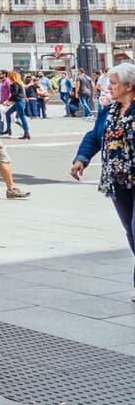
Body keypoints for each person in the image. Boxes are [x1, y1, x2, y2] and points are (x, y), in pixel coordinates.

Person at [71, 62, 135, 300]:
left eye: (114, 83)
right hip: (117, 180)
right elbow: (94, 137)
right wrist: (81, 159)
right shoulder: (109, 111)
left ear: (129, 86)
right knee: (130, 230)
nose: (109, 87)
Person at [5, 71, 29, 139]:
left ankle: (26, 132)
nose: (8, 76)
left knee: (22, 117)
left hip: (19, 102)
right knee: (7, 113)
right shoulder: (18, 83)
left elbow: (15, 93)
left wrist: (8, 100)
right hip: (19, 102)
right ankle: (8, 129)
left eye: (9, 75)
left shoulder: (15, 84)